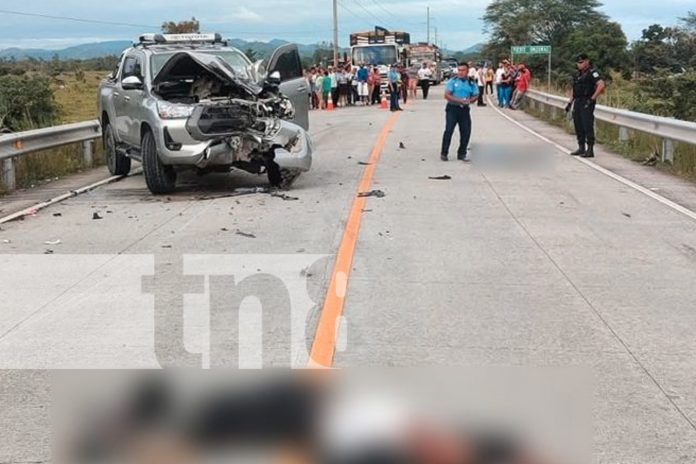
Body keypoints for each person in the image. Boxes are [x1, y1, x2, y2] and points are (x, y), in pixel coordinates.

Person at [566, 53, 606, 158]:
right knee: (578, 124)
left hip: (587, 101)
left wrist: (592, 99)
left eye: (581, 62)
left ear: (587, 61)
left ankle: (590, 149)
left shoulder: (593, 73)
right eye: (578, 63)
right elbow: (574, 90)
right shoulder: (577, 74)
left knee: (587, 124)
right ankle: (581, 147)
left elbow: (601, 85)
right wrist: (570, 103)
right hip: (578, 101)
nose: (579, 64)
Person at [440, 63, 479, 162]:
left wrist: (471, 100)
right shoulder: (452, 81)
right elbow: (447, 95)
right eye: (459, 70)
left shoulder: (471, 82)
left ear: (467, 71)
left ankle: (462, 153)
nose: (461, 72)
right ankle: (444, 153)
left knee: (466, 131)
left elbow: (476, 94)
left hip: (464, 109)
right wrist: (459, 100)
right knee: (449, 130)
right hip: (452, 108)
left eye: (463, 70)